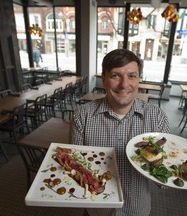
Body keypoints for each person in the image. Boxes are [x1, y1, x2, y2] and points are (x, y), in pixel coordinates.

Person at [69, 49, 171, 216]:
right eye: (115, 76)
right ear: (103, 79)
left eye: (132, 76)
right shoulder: (82, 115)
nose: (124, 85)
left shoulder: (157, 117)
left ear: (139, 79)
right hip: (96, 210)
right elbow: (75, 165)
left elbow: (165, 174)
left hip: (137, 210)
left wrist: (163, 168)